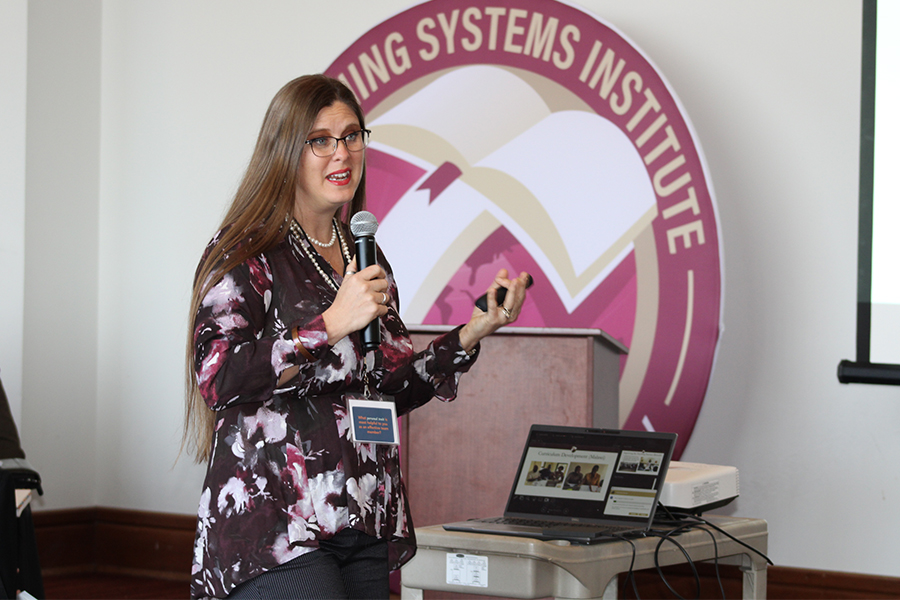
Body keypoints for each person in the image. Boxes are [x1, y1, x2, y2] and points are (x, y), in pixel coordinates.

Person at [182, 74, 530, 600]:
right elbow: (219, 377)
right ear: (284, 151)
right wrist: (328, 324)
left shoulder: (362, 254)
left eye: (351, 136)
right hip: (277, 518)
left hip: (364, 509)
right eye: (320, 140)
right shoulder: (247, 250)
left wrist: (471, 333)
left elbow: (386, 387)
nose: (341, 153)